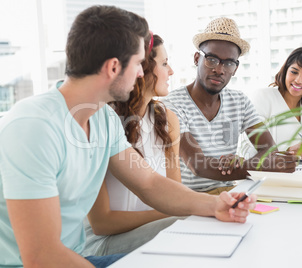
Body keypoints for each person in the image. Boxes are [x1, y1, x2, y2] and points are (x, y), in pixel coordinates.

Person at [0, 6, 256, 268]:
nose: (140, 73)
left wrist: (215, 205)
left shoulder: (103, 119)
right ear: (113, 67)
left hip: (76, 258)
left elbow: (149, 184)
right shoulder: (33, 127)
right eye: (137, 63)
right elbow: (41, 257)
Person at [162, 17, 299, 195]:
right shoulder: (172, 104)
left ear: (235, 68)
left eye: (228, 63)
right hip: (190, 201)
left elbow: (269, 149)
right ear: (197, 58)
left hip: (231, 192)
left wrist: (243, 164)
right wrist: (259, 166)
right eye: (211, 59)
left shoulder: (239, 101)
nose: (219, 70)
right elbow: (198, 165)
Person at [83, 33, 182, 256]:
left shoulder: (168, 120)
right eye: (164, 64)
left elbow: (175, 193)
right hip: (103, 243)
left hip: (154, 230)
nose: (171, 71)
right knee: (180, 226)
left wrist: (195, 207)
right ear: (142, 69)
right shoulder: (100, 120)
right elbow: (102, 223)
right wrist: (171, 213)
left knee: (188, 224)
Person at [241, 47, 302, 159]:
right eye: (294, 72)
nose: (298, 80)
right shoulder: (263, 96)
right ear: (285, 70)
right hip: (260, 172)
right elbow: (248, 144)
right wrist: (287, 151)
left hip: (297, 173)